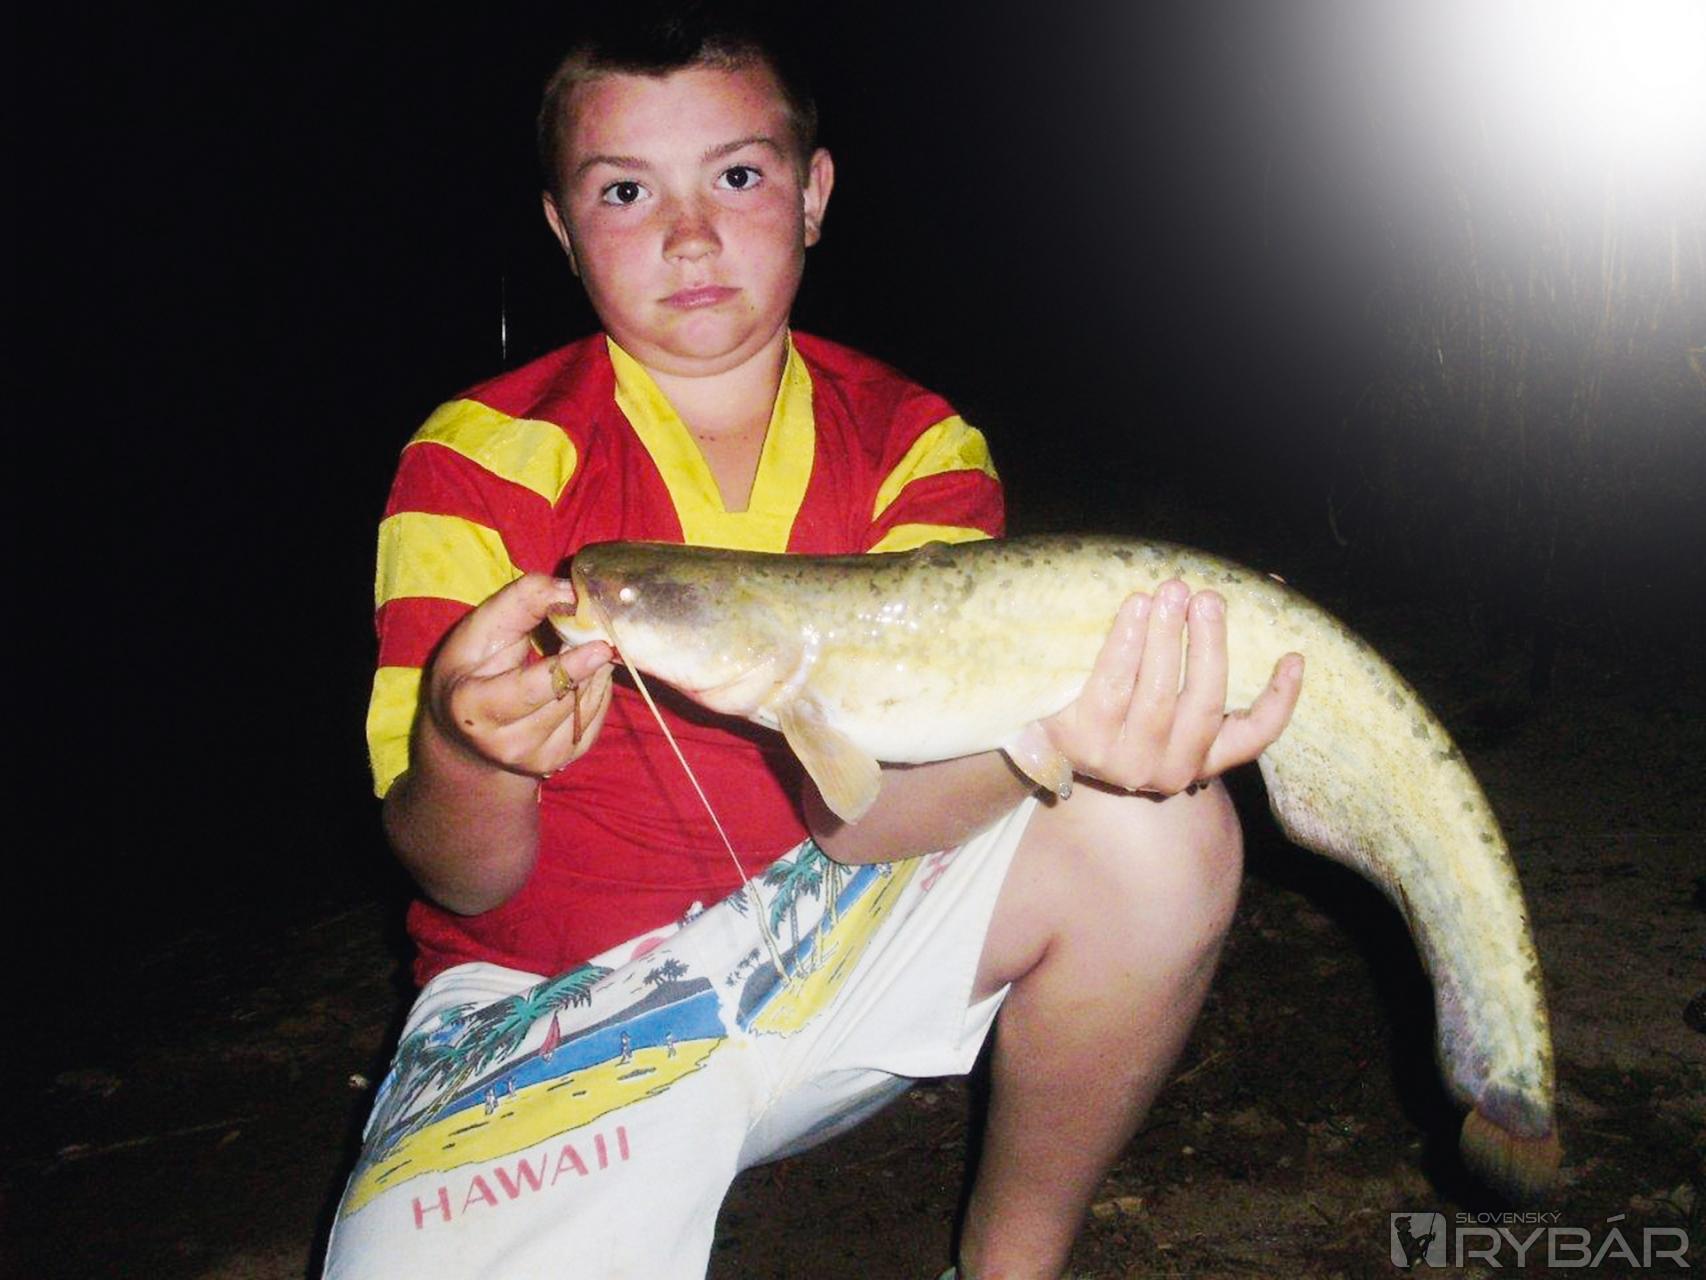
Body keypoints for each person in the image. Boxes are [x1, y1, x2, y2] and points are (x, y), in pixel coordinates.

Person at [325, 10, 1302, 1279]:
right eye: (625, 191)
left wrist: (1058, 738)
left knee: (1154, 825)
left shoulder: (913, 440)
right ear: (562, 229)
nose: (689, 234)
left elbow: (868, 819)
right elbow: (458, 877)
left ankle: (1006, 1266)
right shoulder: (472, 460)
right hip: (539, 999)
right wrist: (472, 752)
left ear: (812, 193)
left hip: (834, 942)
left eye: (736, 175)